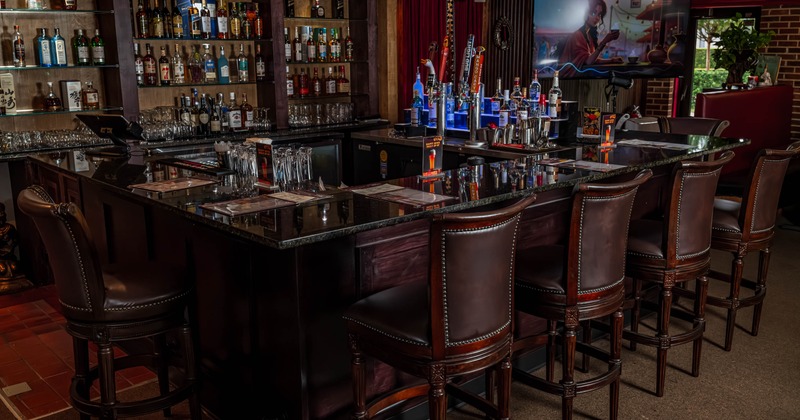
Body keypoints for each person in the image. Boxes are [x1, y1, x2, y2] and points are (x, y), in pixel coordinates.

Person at [558, 0, 624, 77]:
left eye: (599, 14)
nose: (596, 17)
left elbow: (593, 59)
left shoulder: (588, 36)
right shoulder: (577, 36)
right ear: (586, 14)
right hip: (567, 81)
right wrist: (605, 41)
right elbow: (588, 61)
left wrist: (612, 60)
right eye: (593, 13)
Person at [0, 203, 20, 280]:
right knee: (3, 269)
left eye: (2, 212)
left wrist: (10, 247)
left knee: (14, 267)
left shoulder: (9, 227)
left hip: (9, 255)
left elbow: (16, 240)